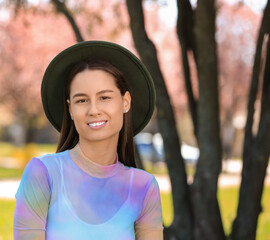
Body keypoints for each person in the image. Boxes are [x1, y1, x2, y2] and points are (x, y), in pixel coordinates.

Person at [13, 41, 163, 240]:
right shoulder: (43, 174)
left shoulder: (144, 188)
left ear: (125, 102)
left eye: (104, 98)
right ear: (71, 109)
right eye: (81, 100)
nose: (93, 110)